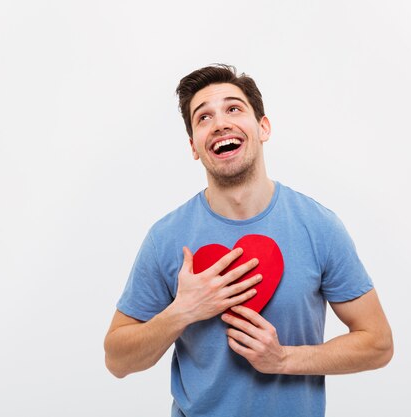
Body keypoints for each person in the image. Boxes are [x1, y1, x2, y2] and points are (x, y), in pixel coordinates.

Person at [104, 64, 393, 417]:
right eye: (203, 117)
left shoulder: (319, 226)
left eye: (234, 108)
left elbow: (378, 344)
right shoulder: (166, 238)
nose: (220, 122)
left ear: (263, 127)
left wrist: (284, 358)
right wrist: (182, 312)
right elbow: (117, 360)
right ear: (194, 146)